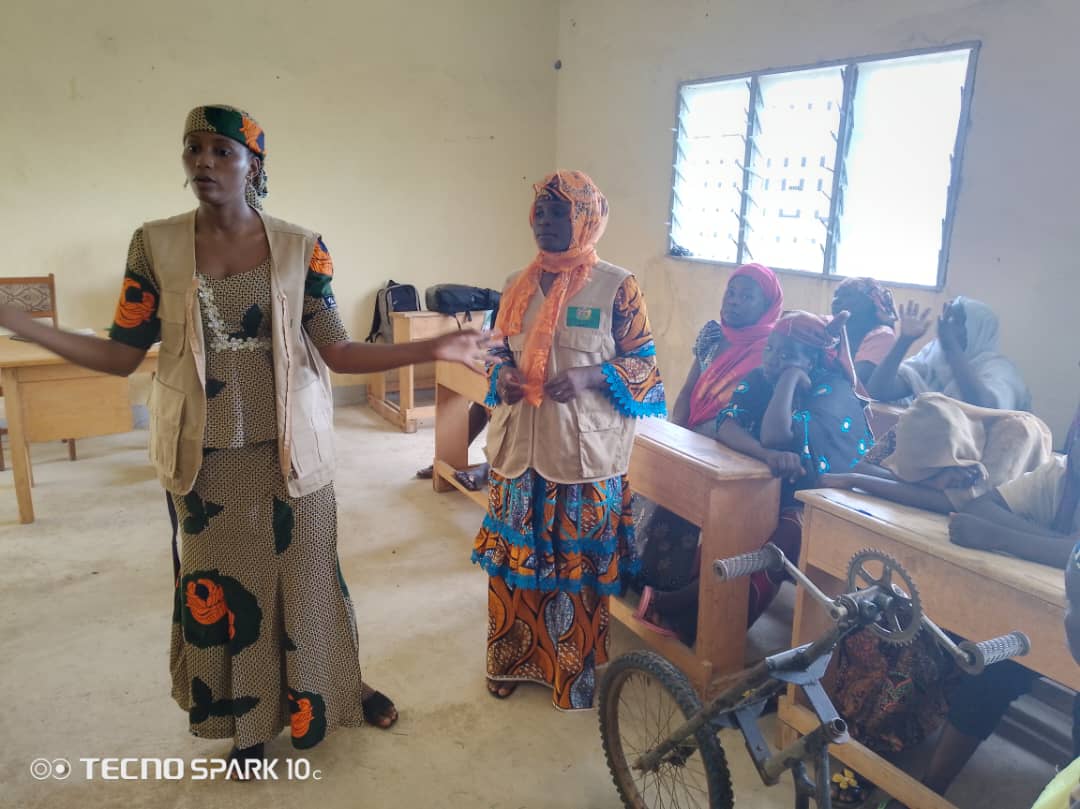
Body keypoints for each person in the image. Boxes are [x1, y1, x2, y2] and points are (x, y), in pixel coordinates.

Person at [0, 105, 493, 771]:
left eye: (221, 150)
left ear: (252, 165)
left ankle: (338, 688)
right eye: (193, 148)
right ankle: (249, 722)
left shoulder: (300, 246)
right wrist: (18, 324)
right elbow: (122, 354)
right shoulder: (155, 245)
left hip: (294, 451)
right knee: (226, 588)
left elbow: (338, 351)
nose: (204, 161)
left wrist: (436, 343)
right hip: (203, 458)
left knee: (310, 577)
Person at [470, 170, 666, 709]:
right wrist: (502, 373)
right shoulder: (517, 281)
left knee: (574, 568)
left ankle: (573, 673)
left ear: (586, 218)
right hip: (519, 451)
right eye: (539, 212)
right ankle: (509, 657)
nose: (545, 223)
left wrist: (587, 377)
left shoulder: (617, 286)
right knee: (516, 561)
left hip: (583, 459)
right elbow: (494, 349)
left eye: (558, 213)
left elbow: (646, 369)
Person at [637, 311, 872, 644]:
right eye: (771, 348)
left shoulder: (834, 389)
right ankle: (693, 606)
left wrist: (790, 379)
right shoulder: (761, 376)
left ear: (813, 361)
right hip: (778, 488)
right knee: (734, 514)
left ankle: (705, 627)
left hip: (828, 503)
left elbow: (776, 435)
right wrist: (767, 456)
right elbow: (726, 424)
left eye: (788, 355)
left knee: (785, 537)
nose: (775, 360)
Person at [632, 263, 783, 597]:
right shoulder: (714, 335)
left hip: (733, 446)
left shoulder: (772, 350)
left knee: (683, 507)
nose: (735, 301)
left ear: (767, 304)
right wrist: (677, 434)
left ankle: (662, 585)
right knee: (648, 483)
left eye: (747, 296)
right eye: (732, 292)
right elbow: (688, 391)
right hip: (692, 433)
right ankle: (632, 570)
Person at [821, 392, 1051, 514]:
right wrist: (929, 484)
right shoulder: (927, 415)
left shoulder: (1017, 434)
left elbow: (963, 505)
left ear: (952, 459)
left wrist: (856, 481)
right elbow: (864, 464)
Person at [866, 296, 1030, 411]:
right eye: (947, 318)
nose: (946, 325)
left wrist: (952, 348)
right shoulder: (933, 357)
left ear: (977, 331)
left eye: (956, 321)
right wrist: (904, 340)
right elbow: (877, 391)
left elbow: (986, 409)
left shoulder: (999, 368)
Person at [830, 276, 898, 390]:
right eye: (836, 295)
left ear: (867, 302)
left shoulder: (882, 335)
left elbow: (853, 381)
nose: (836, 301)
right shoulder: (837, 329)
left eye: (847, 295)